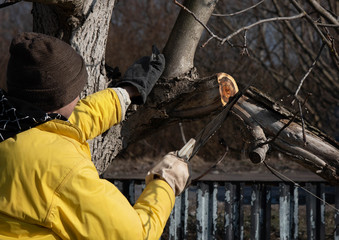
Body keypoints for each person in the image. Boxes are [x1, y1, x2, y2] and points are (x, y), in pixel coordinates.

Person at [0, 32, 190, 240]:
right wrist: (165, 182)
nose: (80, 96)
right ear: (59, 97)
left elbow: (74, 121)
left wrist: (125, 93)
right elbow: (135, 235)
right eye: (76, 91)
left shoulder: (14, 123)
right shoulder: (63, 170)